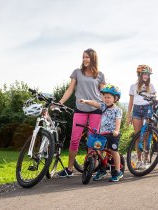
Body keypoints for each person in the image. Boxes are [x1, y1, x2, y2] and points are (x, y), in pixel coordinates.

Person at [57, 48, 106, 177]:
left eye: (87, 57)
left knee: (92, 140)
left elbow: (103, 94)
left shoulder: (100, 75)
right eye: (83, 57)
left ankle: (88, 168)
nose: (85, 59)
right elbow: (70, 90)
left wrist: (108, 105)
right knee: (74, 139)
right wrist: (60, 102)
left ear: (93, 59)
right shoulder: (77, 72)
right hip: (80, 110)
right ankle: (69, 169)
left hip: (96, 110)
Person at [79, 84, 123, 182]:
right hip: (102, 134)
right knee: (99, 150)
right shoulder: (103, 106)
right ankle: (102, 169)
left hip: (112, 134)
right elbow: (94, 103)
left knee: (113, 151)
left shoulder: (117, 110)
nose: (106, 99)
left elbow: (118, 121)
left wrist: (116, 130)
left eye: (109, 97)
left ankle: (118, 171)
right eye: (105, 97)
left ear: (115, 98)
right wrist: (86, 101)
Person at [126, 65, 156, 169]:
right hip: (137, 110)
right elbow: (130, 102)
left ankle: (146, 160)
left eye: (148, 74)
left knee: (146, 135)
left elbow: (154, 100)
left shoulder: (151, 86)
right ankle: (139, 160)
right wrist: (128, 115)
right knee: (137, 136)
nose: (146, 76)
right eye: (144, 74)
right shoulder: (133, 86)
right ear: (139, 74)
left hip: (147, 109)